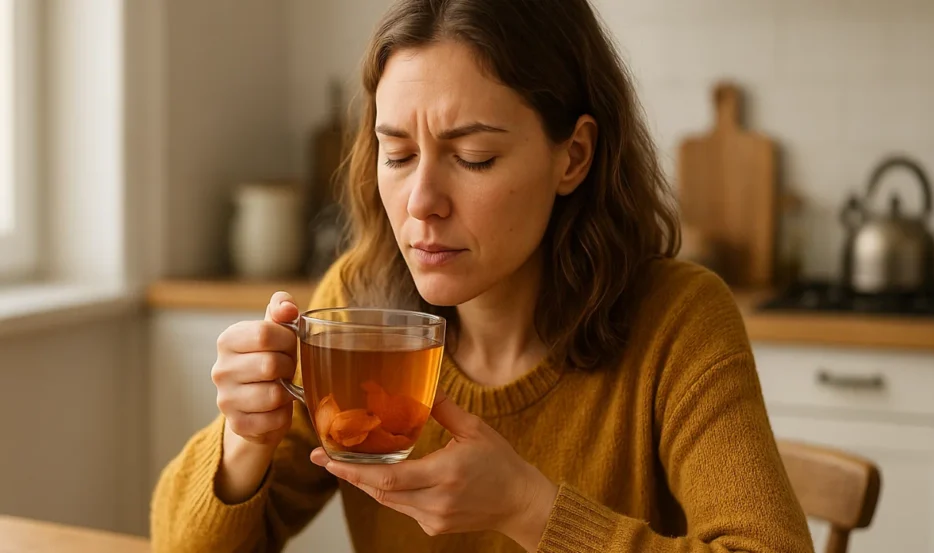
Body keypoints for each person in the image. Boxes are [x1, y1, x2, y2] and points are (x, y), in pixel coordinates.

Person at [150, 0, 814, 551]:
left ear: (573, 157)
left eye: (473, 157)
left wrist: (529, 507)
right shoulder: (357, 306)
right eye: (399, 153)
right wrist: (243, 440)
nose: (420, 202)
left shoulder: (677, 321)